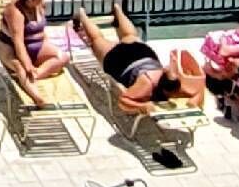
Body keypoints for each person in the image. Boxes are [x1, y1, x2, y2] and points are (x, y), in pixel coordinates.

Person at [72, 9, 201, 117]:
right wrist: (142, 106)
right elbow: (124, 101)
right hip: (120, 60)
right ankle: (82, 15)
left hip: (143, 54)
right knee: (97, 39)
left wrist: (193, 102)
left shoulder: (178, 85)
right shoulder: (147, 84)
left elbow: (197, 92)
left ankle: (118, 10)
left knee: (129, 34)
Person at [0, 0, 68, 88]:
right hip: (24, 50)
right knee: (28, 66)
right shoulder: (16, 12)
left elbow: (42, 30)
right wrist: (27, 65)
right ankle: (29, 75)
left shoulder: (39, 5)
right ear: (30, 0)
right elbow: (19, 43)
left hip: (39, 48)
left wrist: (47, 43)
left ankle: (36, 75)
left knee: (63, 57)